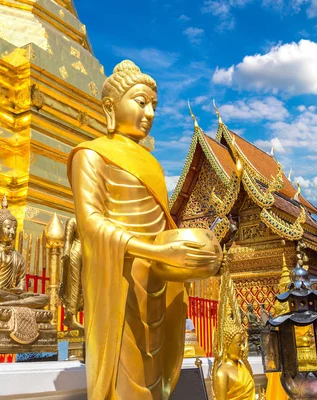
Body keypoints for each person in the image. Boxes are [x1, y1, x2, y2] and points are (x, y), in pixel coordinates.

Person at [68, 60, 220, 399]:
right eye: (141, 101)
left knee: (156, 379)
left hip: (157, 283)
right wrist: (153, 251)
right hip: (118, 284)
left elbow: (165, 225)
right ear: (110, 106)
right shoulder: (90, 156)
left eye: (154, 105)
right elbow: (91, 225)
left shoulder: (152, 163)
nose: (149, 112)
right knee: (124, 382)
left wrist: (196, 253)